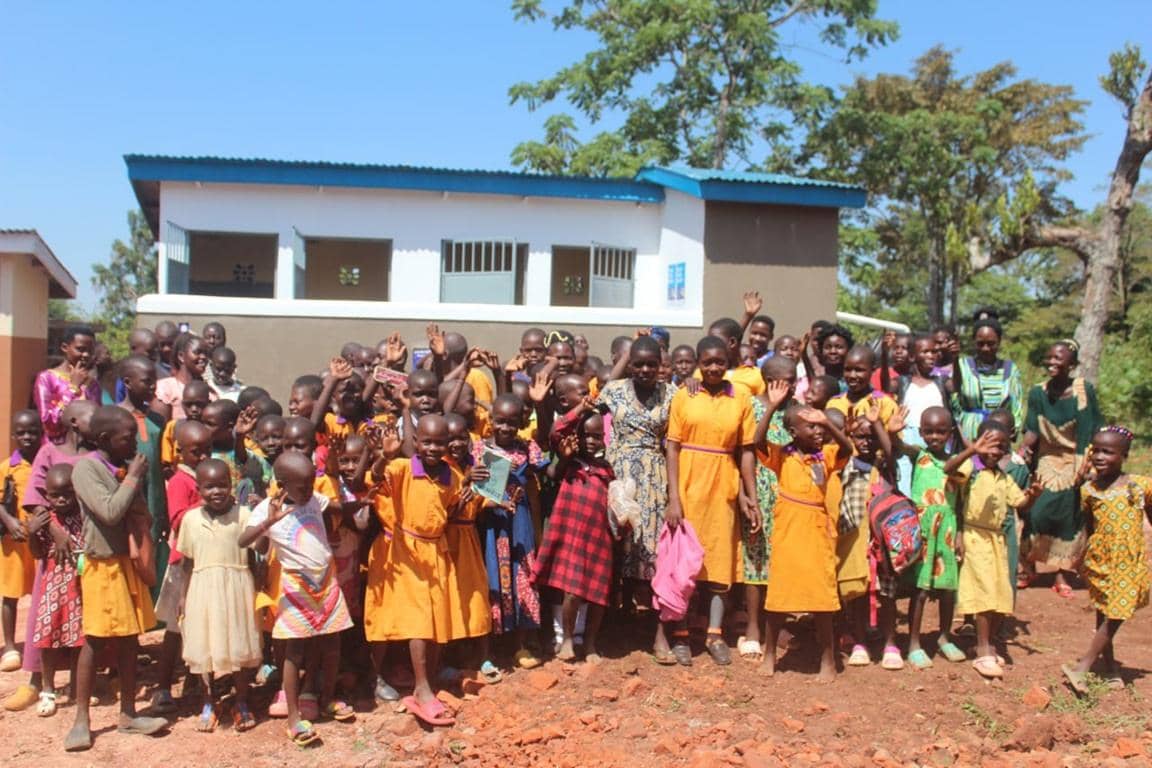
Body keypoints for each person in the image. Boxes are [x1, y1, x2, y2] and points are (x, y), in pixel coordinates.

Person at [66, 406, 168, 751]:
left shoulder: (121, 467)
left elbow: (139, 512)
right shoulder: (86, 470)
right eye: (128, 438)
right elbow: (110, 512)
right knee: (95, 641)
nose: (134, 444)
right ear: (106, 439)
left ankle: (128, 713)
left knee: (129, 639)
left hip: (126, 563)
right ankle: (82, 719)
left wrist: (133, 479)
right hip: (102, 565)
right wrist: (133, 477)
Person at [241, 451, 355, 746]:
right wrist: (268, 522)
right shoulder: (268, 508)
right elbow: (244, 542)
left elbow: (334, 505)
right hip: (296, 585)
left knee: (333, 642)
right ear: (281, 483)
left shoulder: (314, 498)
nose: (308, 491)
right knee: (294, 651)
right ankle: (294, 718)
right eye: (302, 486)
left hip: (325, 581)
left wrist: (358, 502)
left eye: (310, 484)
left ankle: (327, 698)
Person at [665, 336, 758, 666]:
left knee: (719, 562)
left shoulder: (741, 396)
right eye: (708, 362)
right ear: (698, 363)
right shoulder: (685, 395)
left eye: (720, 362)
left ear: (728, 361)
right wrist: (674, 497)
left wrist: (751, 495)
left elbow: (746, 450)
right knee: (683, 563)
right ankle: (679, 634)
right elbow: (673, 448)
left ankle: (714, 633)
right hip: (689, 484)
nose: (714, 368)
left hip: (723, 485)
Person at [366, 415, 464, 727]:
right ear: (416, 443)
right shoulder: (404, 467)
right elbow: (376, 476)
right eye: (427, 442)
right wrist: (385, 454)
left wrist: (470, 493)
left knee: (436, 618)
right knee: (419, 620)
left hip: (436, 550)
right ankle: (421, 689)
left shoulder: (452, 475)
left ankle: (429, 680)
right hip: (407, 551)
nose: (433, 448)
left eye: (439, 443)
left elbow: (448, 512)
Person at [594, 337, 676, 660]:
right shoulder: (615, 390)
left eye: (651, 364)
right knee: (615, 549)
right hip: (618, 476)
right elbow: (598, 396)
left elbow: (673, 445)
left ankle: (659, 636)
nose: (644, 370)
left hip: (655, 478)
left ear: (660, 365)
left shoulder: (672, 394)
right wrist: (625, 354)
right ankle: (610, 627)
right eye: (637, 363)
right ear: (629, 363)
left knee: (654, 554)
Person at [759, 398, 853, 681]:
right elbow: (757, 440)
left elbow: (848, 448)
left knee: (821, 597)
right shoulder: (782, 456)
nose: (817, 431)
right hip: (788, 529)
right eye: (810, 426)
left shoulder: (826, 455)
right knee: (778, 597)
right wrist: (772, 408)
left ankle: (828, 661)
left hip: (816, 530)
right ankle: (769, 654)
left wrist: (828, 423)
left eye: (819, 426)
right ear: (792, 430)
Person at [946, 421, 1041, 680]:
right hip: (975, 537)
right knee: (985, 593)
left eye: (1000, 446)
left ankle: (986, 643)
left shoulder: (1003, 476)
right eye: (987, 444)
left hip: (996, 540)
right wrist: (970, 451)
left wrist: (1033, 495)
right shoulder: (971, 469)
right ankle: (984, 651)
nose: (993, 451)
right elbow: (949, 468)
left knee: (1000, 592)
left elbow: (1019, 502)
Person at [1062, 426, 1151, 694]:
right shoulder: (1088, 490)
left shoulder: (1140, 485)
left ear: (1124, 455)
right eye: (1096, 450)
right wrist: (1081, 558)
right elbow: (1089, 527)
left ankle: (1082, 668)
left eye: (1108, 452)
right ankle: (1110, 669)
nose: (1100, 456)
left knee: (1117, 612)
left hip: (1128, 559)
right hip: (1101, 558)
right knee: (1104, 611)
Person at [178, 458, 262, 732]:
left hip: (237, 588)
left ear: (232, 484)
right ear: (199, 488)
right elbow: (187, 562)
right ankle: (209, 701)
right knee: (205, 646)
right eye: (209, 487)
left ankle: (241, 701)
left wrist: (259, 590)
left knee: (238, 646)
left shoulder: (244, 516)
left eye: (222, 485)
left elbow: (253, 557)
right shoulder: (190, 520)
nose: (216, 492)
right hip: (202, 589)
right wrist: (182, 596)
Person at [1020, 340, 1101, 596]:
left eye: (1059, 358)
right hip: (1047, 456)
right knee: (1036, 511)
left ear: (1072, 364)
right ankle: (1028, 566)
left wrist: (1089, 464)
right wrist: (1023, 450)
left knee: (1068, 513)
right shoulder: (1037, 393)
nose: (1053, 363)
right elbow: (1033, 428)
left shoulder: (1083, 391)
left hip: (1076, 457)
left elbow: (1091, 429)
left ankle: (1061, 573)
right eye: (1050, 358)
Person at [534, 405, 614, 663]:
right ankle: (568, 639)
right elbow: (557, 432)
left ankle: (590, 644)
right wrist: (581, 408)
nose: (591, 441)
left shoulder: (606, 469)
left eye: (596, 436)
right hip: (572, 535)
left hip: (599, 537)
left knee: (599, 592)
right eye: (585, 435)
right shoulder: (568, 464)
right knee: (573, 590)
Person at [475, 394, 547, 668]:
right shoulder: (478, 449)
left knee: (522, 574)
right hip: (489, 523)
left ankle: (521, 643)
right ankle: (489, 648)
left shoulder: (527, 449)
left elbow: (533, 489)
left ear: (520, 423)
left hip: (519, 522)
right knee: (492, 576)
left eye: (512, 423)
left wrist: (537, 531)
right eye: (500, 421)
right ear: (491, 420)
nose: (505, 428)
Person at [151, 420, 213, 715]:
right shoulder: (181, 481)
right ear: (180, 451)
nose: (202, 457)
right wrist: (207, 502)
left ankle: (195, 683)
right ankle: (162, 687)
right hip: (184, 564)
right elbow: (176, 520)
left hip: (208, 562)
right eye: (195, 451)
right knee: (176, 628)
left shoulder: (209, 477)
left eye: (207, 450)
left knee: (202, 625)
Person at [738, 357, 794, 662]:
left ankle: (778, 626)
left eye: (794, 379)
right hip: (760, 488)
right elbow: (748, 451)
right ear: (768, 379)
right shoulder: (752, 406)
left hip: (788, 493)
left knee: (781, 561)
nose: (790, 386)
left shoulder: (796, 408)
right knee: (755, 559)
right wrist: (751, 497)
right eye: (784, 380)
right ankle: (753, 628)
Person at [902, 407, 967, 669]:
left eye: (941, 431)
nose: (935, 437)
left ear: (950, 433)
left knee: (948, 588)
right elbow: (896, 445)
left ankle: (944, 636)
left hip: (948, 530)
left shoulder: (958, 463)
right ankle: (914, 643)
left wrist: (960, 533)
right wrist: (889, 429)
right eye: (928, 431)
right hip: (924, 530)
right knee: (920, 589)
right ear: (921, 432)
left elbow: (960, 503)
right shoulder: (919, 456)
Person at [25, 464, 84, 717]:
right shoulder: (45, 520)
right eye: (55, 494)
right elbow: (38, 553)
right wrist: (31, 533)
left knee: (79, 639)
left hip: (80, 584)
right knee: (49, 638)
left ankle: (76, 685)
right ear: (46, 496)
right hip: (53, 585)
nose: (62, 499)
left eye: (67, 493)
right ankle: (47, 689)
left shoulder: (83, 516)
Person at [1, 410, 43, 671]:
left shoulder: (45, 461)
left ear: (42, 433)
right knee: (11, 594)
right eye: (22, 432)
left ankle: (41, 640)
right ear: (14, 435)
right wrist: (9, 521)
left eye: (33, 432)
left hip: (41, 540)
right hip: (14, 543)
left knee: (42, 591)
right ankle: (9, 646)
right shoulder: (7, 467)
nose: (28, 436)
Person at [885, 334, 950, 496]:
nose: (931, 356)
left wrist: (954, 357)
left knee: (935, 478)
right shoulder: (903, 382)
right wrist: (884, 355)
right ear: (913, 356)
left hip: (935, 437)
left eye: (934, 352)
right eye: (925, 352)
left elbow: (957, 387)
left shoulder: (941, 382)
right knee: (906, 479)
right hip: (907, 436)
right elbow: (886, 385)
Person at [951, 318, 1023, 444]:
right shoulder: (962, 366)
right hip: (969, 436)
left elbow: (1016, 406)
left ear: (999, 342)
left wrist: (1012, 432)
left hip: (1000, 437)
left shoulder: (1010, 369)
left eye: (991, 343)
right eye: (980, 343)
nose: (985, 348)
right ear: (974, 342)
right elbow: (955, 401)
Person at [34, 325, 100, 443]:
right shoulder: (47, 378)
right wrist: (73, 388)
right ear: (65, 347)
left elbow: (96, 421)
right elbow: (48, 424)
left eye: (90, 351)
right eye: (80, 349)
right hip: (56, 449)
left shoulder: (92, 383)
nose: (86, 355)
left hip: (86, 451)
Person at [154, 333, 214, 420]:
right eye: (197, 352)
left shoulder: (210, 392)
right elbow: (155, 431)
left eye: (206, 353)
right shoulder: (164, 389)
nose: (204, 357)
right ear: (181, 356)